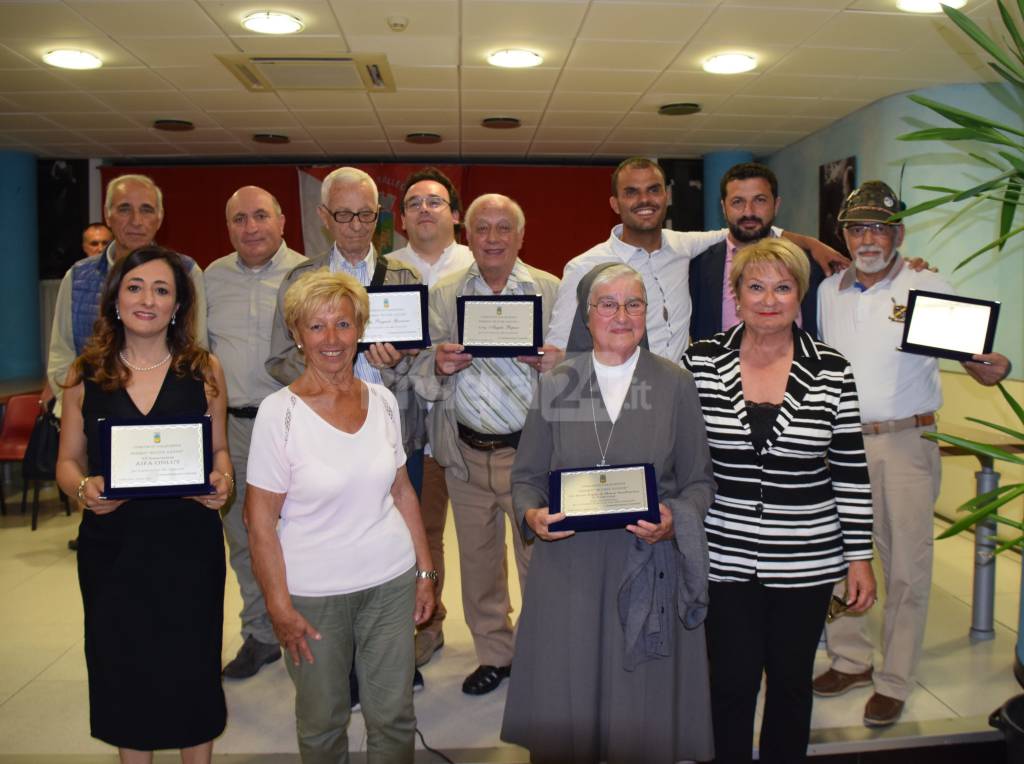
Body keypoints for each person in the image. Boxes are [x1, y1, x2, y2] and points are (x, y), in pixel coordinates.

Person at [813, 181, 1012, 727]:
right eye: (857, 228)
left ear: (898, 233)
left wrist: (989, 364)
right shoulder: (830, 291)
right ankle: (850, 659)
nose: (868, 238)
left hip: (905, 442)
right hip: (841, 445)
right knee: (839, 559)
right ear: (845, 236)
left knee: (906, 566)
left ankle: (895, 679)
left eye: (879, 227)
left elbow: (974, 357)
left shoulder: (929, 283)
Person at [501, 263, 716, 763]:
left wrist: (673, 520)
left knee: (637, 710)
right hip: (568, 568)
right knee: (569, 698)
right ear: (588, 314)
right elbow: (527, 477)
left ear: (649, 314)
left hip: (646, 562)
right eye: (608, 304)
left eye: (633, 304)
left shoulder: (675, 385)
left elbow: (700, 483)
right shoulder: (557, 383)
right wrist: (531, 516)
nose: (622, 315)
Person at [682, 238, 876, 764]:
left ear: (800, 296)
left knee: (791, 683)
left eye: (783, 287)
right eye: (756, 287)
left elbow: (851, 471)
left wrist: (860, 557)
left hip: (807, 556)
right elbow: (678, 455)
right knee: (731, 681)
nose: (769, 299)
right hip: (723, 553)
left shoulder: (832, 368)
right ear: (737, 295)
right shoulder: (699, 361)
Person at [245, 270, 435, 763]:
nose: (332, 339)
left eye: (344, 324)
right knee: (323, 721)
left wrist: (425, 572)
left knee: (393, 716)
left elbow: (402, 490)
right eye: (317, 326)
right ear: (297, 335)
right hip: (314, 597)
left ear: (361, 330)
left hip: (390, 584)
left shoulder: (383, 400)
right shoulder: (278, 413)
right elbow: (259, 522)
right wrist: (279, 608)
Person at [55, 245, 232, 763]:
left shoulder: (203, 368)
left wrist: (222, 480)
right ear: (115, 299)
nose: (147, 300)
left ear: (178, 305)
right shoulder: (83, 373)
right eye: (135, 287)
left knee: (192, 664)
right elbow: (68, 461)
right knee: (122, 665)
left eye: (162, 290)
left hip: (188, 544)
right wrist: (82, 489)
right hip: (114, 549)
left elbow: (219, 449)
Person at [411, 193, 561, 696]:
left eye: (504, 228)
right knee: (478, 566)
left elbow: (583, 375)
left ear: (521, 237)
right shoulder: (444, 293)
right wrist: (436, 363)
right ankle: (495, 655)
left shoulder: (551, 290)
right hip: (466, 454)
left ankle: (541, 655)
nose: (493, 238)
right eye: (482, 229)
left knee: (538, 565)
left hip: (532, 457)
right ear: (466, 236)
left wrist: (559, 366)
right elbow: (417, 374)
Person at [545, 156, 846, 361]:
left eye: (653, 190)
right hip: (615, 398)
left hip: (679, 396)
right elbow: (559, 346)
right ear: (615, 203)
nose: (644, 200)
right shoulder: (585, 266)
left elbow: (747, 228)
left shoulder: (683, 247)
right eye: (631, 193)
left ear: (666, 196)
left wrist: (811, 244)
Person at [206, 185, 307, 679]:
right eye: (239, 219)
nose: (251, 228)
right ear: (228, 227)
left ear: (283, 221)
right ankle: (261, 634)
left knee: (304, 531)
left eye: (261, 216)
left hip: (296, 424)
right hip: (236, 427)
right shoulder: (211, 278)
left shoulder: (307, 274)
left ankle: (310, 627)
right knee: (245, 533)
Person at [388, 167, 474, 667]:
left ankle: (483, 628)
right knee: (419, 533)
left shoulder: (477, 264)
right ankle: (426, 623)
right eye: (415, 202)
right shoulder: (385, 270)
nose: (425, 209)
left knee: (479, 539)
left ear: (456, 214)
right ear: (401, 218)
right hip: (400, 425)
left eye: (435, 201)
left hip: (459, 422)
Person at [689, 162, 824, 341]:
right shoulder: (698, 266)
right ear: (723, 208)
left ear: (776, 205)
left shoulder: (811, 264)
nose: (749, 212)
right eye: (738, 202)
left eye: (759, 200)